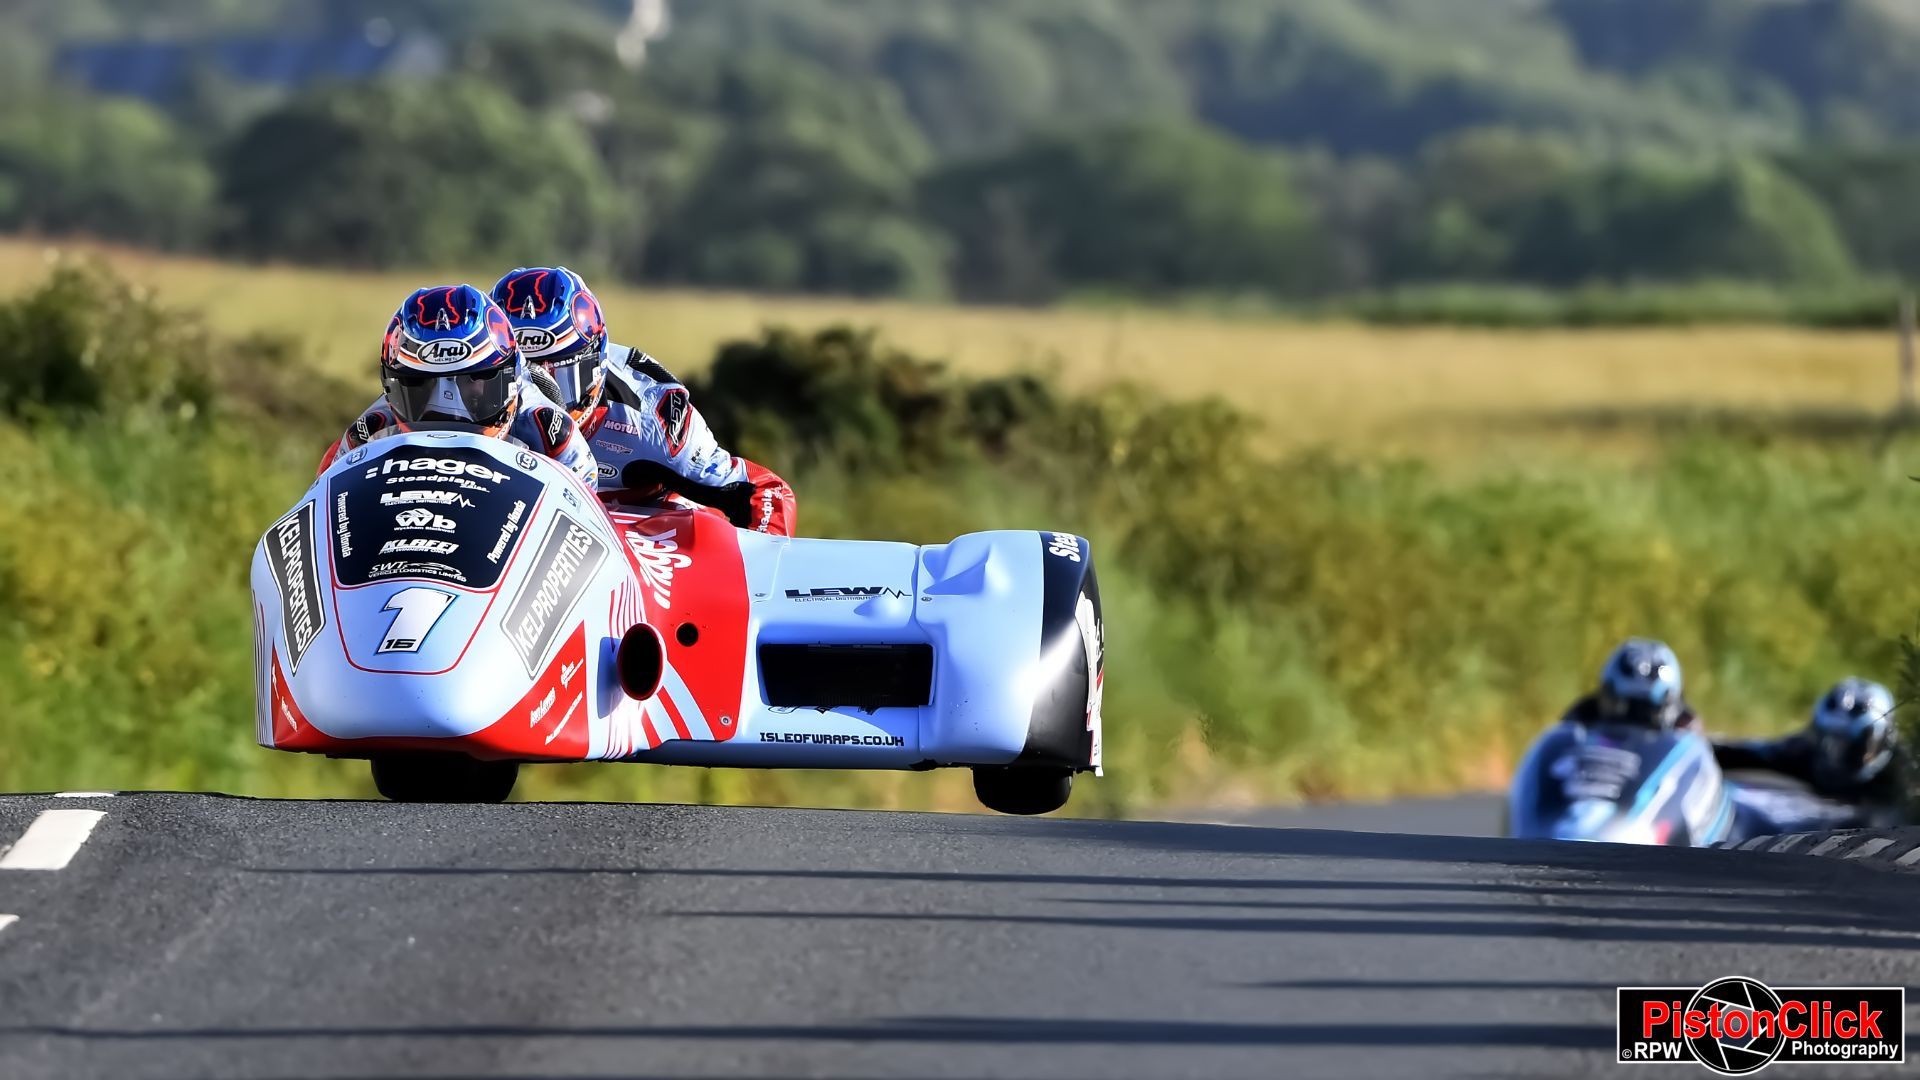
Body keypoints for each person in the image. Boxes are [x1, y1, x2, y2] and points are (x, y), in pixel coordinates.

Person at [488, 266, 796, 536]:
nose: (539, 394)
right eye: (520, 375)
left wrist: (758, 573)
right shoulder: (466, 397)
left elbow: (765, 491)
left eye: (559, 376)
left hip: (636, 549)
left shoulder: (650, 413)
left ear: (597, 360)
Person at [315, 284, 597, 484]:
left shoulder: (549, 430)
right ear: (392, 388)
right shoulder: (370, 430)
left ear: (512, 380)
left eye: (472, 381)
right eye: (421, 386)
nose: (447, 408)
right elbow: (321, 499)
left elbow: (585, 514)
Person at [1713, 678, 1909, 825]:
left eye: (1846, 749)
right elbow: (1747, 752)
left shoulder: (1898, 786)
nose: (1832, 758)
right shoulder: (1800, 752)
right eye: (1825, 741)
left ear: (1884, 741)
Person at [1558, 638, 1697, 732]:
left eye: (1646, 712)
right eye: (1621, 708)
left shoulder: (1691, 752)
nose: (1632, 728)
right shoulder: (1578, 727)